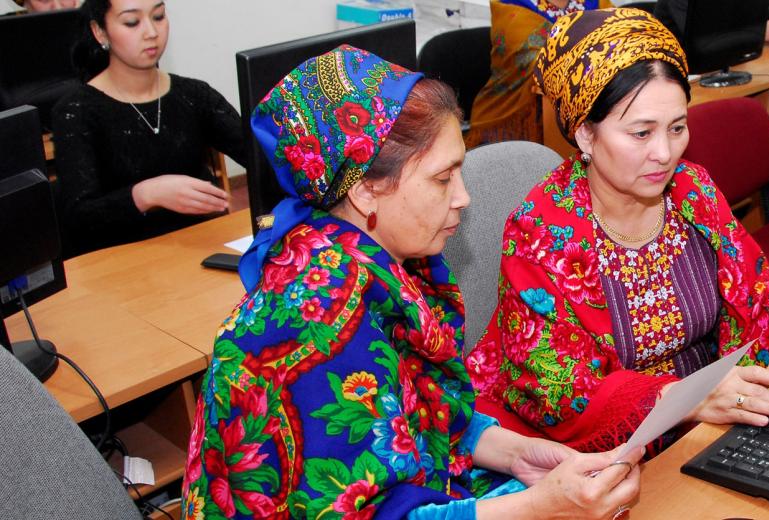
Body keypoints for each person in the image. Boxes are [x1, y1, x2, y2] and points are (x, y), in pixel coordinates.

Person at [182, 45, 642, 519]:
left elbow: (421, 416)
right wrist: (543, 507)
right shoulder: (318, 320)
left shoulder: (385, 257)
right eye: (443, 179)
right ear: (364, 190)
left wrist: (516, 453)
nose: (463, 197)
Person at [466, 7, 769, 455]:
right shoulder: (541, 229)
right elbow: (558, 393)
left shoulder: (690, 188)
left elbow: (750, 281)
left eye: (677, 127)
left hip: (710, 416)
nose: (665, 152)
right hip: (608, 448)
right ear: (584, 135)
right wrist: (686, 398)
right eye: (641, 133)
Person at [52, 0, 247, 256]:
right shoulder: (76, 111)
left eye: (158, 16)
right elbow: (79, 216)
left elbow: (258, 153)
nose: (151, 32)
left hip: (200, 248)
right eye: (132, 22)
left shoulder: (194, 94)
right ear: (100, 31)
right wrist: (145, 194)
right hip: (122, 262)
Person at [464, 0, 611, 148]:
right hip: (509, 127)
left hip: (587, 120)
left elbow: (623, 41)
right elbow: (539, 62)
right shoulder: (510, 5)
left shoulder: (596, 3)